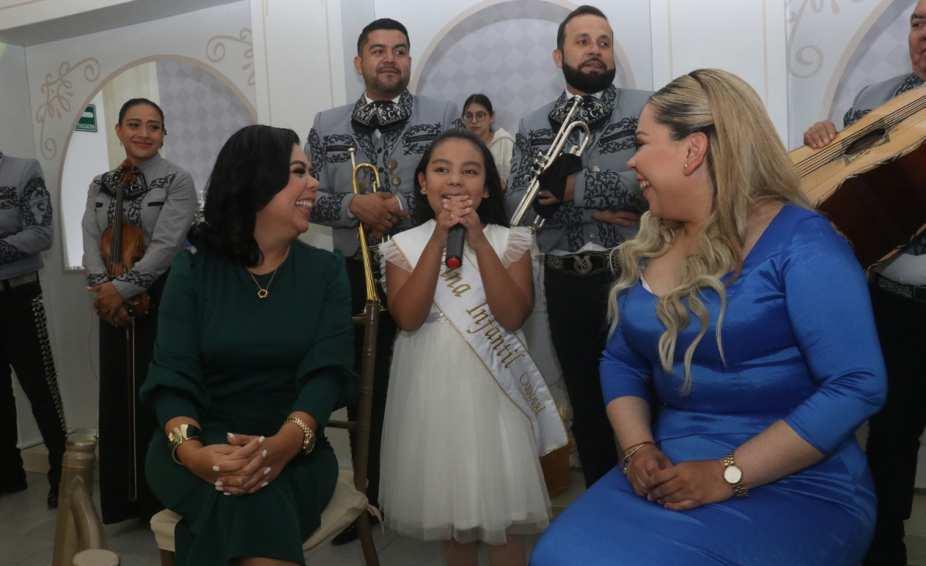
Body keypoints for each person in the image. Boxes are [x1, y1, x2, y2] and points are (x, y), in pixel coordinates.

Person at [531, 68, 888, 566]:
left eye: (642, 143)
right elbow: (621, 361)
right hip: (671, 472)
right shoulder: (654, 239)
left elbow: (856, 384)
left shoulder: (805, 244)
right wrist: (637, 450)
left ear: (693, 150)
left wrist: (727, 474)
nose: (632, 160)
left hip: (798, 482)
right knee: (556, 554)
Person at [139, 125, 354, 566]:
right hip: (194, 442)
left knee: (250, 499)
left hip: (297, 447)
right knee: (251, 499)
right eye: (300, 171)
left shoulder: (326, 271)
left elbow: (327, 373)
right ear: (257, 182)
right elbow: (171, 375)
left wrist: (283, 445)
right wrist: (193, 454)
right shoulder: (192, 270)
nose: (315, 183)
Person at [379, 129, 566, 566]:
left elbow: (512, 315)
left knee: (505, 521)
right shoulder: (401, 247)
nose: (455, 181)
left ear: (487, 187)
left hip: (496, 398)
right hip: (433, 392)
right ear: (422, 182)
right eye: (442, 170)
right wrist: (438, 240)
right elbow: (408, 317)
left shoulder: (509, 242)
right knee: (454, 519)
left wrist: (478, 241)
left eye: (470, 171)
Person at [306, 17, 458, 545]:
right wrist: (354, 205)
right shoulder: (326, 124)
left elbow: (461, 183)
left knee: (429, 381)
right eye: (378, 50)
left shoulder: (442, 115)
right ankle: (367, 499)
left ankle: (432, 493)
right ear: (360, 62)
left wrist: (395, 205)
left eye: (399, 50)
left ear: (409, 60)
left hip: (426, 267)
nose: (389, 58)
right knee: (364, 388)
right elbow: (307, 198)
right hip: (355, 272)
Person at [505, 5, 650, 487]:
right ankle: (602, 504)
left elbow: (648, 186)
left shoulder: (647, 108)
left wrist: (571, 189)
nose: (595, 50)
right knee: (586, 402)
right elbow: (519, 206)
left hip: (632, 273)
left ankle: (656, 501)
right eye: (583, 41)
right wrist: (600, 203)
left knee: (648, 393)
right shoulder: (532, 123)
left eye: (604, 42)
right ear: (559, 56)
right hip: (565, 279)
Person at [803, 3, 926, 563]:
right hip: (894, 302)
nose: (923, 34)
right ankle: (883, 550)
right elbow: (841, 178)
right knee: (892, 435)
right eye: (918, 22)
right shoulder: (876, 98)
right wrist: (824, 140)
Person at [81, 97, 197, 523]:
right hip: (111, 297)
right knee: (117, 394)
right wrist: (103, 287)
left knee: (158, 393)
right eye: (134, 124)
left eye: (153, 126)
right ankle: (122, 501)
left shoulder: (177, 180)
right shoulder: (100, 183)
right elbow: (89, 235)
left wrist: (121, 289)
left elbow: (166, 246)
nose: (143, 133)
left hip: (163, 297)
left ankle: (159, 498)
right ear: (118, 130)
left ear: (164, 135)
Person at [0, 152, 66, 509]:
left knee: (40, 388)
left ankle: (63, 475)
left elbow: (41, 233)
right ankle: (9, 475)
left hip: (19, 297)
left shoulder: (23, 170)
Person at [462, 94, 515, 185]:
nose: (474, 121)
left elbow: (514, 183)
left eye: (480, 115)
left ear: (491, 117)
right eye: (469, 116)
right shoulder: (458, 146)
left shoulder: (504, 142)